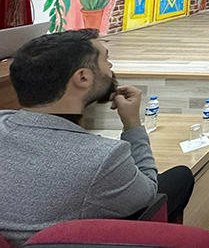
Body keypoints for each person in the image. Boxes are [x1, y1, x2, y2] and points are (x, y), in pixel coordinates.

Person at [0, 29, 194, 247]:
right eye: (106, 59)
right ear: (82, 77)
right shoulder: (104, 158)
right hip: (67, 241)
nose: (110, 66)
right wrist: (132, 124)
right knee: (180, 177)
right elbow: (149, 192)